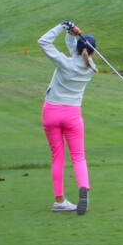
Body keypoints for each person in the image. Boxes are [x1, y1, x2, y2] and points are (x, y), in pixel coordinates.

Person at [38, 21, 97, 215]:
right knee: (78, 156)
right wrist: (72, 35)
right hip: (72, 115)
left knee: (58, 157)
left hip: (51, 112)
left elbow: (43, 42)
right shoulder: (90, 68)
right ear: (92, 52)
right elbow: (78, 52)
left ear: (78, 49)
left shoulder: (65, 62)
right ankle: (84, 187)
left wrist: (62, 27)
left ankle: (59, 201)